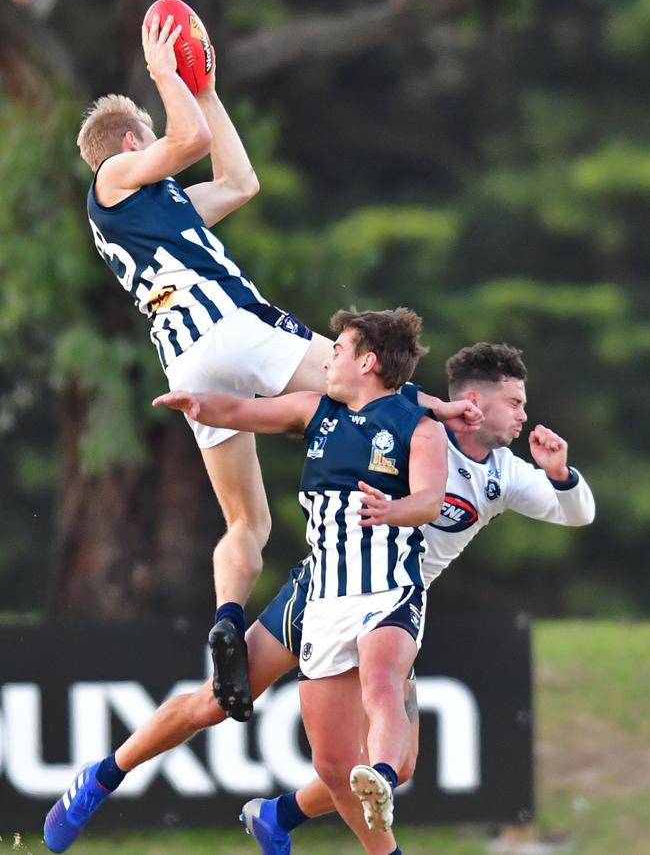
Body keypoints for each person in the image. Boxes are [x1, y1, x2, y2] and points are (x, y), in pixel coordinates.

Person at [44, 341, 594, 854]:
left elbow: (578, 513)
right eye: (515, 402)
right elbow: (360, 390)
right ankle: (100, 778)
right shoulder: (408, 421)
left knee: (392, 769)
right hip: (322, 587)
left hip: (392, 597)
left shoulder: (506, 474)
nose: (524, 415)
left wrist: (560, 473)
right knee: (217, 701)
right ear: (473, 401)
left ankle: (279, 816)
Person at [75, 10, 333, 724]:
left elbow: (240, 181)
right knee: (365, 384)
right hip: (230, 326)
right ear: (132, 142)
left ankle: (226, 621)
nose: (163, 146)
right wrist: (166, 76)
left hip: (191, 364)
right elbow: (186, 140)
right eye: (149, 138)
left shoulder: (163, 209)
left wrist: (208, 90)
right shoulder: (115, 176)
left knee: (248, 521)